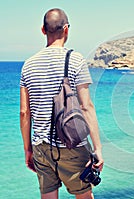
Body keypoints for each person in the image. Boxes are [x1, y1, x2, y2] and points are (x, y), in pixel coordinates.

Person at [20, 8, 104, 199]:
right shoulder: (76, 60)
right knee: (84, 196)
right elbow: (86, 106)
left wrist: (28, 149)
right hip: (72, 144)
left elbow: (25, 112)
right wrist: (97, 148)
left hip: (41, 146)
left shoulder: (28, 64)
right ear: (66, 29)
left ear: (43, 30)